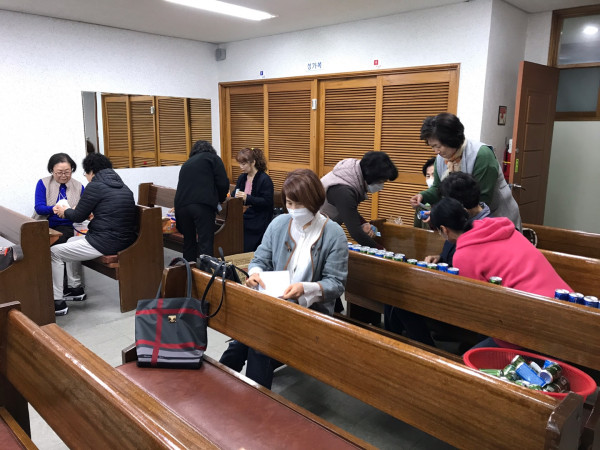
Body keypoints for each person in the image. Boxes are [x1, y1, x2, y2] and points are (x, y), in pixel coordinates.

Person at [219, 169, 348, 389]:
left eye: (300, 204)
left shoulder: (333, 234)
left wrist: (305, 288)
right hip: (273, 304)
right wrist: (255, 273)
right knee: (242, 338)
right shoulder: (279, 223)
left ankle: (254, 399)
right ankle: (219, 386)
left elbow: (336, 284)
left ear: (315, 202)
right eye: (289, 203)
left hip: (308, 313)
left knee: (258, 343)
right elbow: (260, 258)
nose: (294, 210)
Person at [429, 197, 572, 348]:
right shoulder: (500, 228)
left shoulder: (464, 254)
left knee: (471, 357)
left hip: (536, 321)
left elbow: (479, 306)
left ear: (444, 230)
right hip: (568, 305)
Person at [52, 153, 137, 316]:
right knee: (70, 240)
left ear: (91, 171)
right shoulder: (124, 187)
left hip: (105, 242)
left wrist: (65, 210)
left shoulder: (95, 186)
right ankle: (75, 288)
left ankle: (57, 302)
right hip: (123, 239)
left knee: (53, 252)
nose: (86, 177)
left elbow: (78, 216)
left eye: (85, 173)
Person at [409, 113, 521, 230]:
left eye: (438, 146)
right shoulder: (441, 158)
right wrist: (423, 196)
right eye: (432, 147)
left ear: (450, 139)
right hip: (465, 219)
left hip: (498, 218)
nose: (436, 151)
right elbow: (438, 189)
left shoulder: (482, 155)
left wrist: (443, 215)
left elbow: (481, 200)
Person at [321, 151, 398, 249]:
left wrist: (363, 223)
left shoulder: (351, 173)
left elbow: (348, 210)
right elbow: (356, 232)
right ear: (372, 177)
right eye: (382, 181)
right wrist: (382, 250)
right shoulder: (344, 191)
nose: (382, 186)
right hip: (314, 232)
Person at [34, 153, 86, 300]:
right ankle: (61, 286)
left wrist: (74, 210)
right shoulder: (43, 183)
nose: (64, 176)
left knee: (61, 242)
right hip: (46, 224)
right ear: (52, 170)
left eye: (67, 172)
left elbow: (84, 209)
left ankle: (65, 288)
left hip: (70, 225)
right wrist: (53, 209)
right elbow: (39, 208)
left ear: (72, 170)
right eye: (59, 172)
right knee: (38, 243)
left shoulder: (78, 186)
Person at [174, 140, 229, 262]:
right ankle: (205, 272)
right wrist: (220, 199)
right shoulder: (213, 159)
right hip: (202, 206)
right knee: (205, 243)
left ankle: (189, 270)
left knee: (189, 242)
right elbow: (223, 183)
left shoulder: (187, 163)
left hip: (181, 206)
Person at [233, 147, 274, 252]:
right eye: (240, 164)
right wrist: (235, 196)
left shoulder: (264, 179)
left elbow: (267, 202)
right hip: (244, 215)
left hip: (259, 218)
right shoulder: (242, 178)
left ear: (253, 162)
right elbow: (234, 194)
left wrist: (247, 198)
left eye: (243, 164)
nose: (241, 167)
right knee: (233, 228)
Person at [413, 156, 436, 229]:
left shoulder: (449, 202)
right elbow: (417, 229)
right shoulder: (421, 200)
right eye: (428, 176)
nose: (430, 179)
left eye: (434, 175)